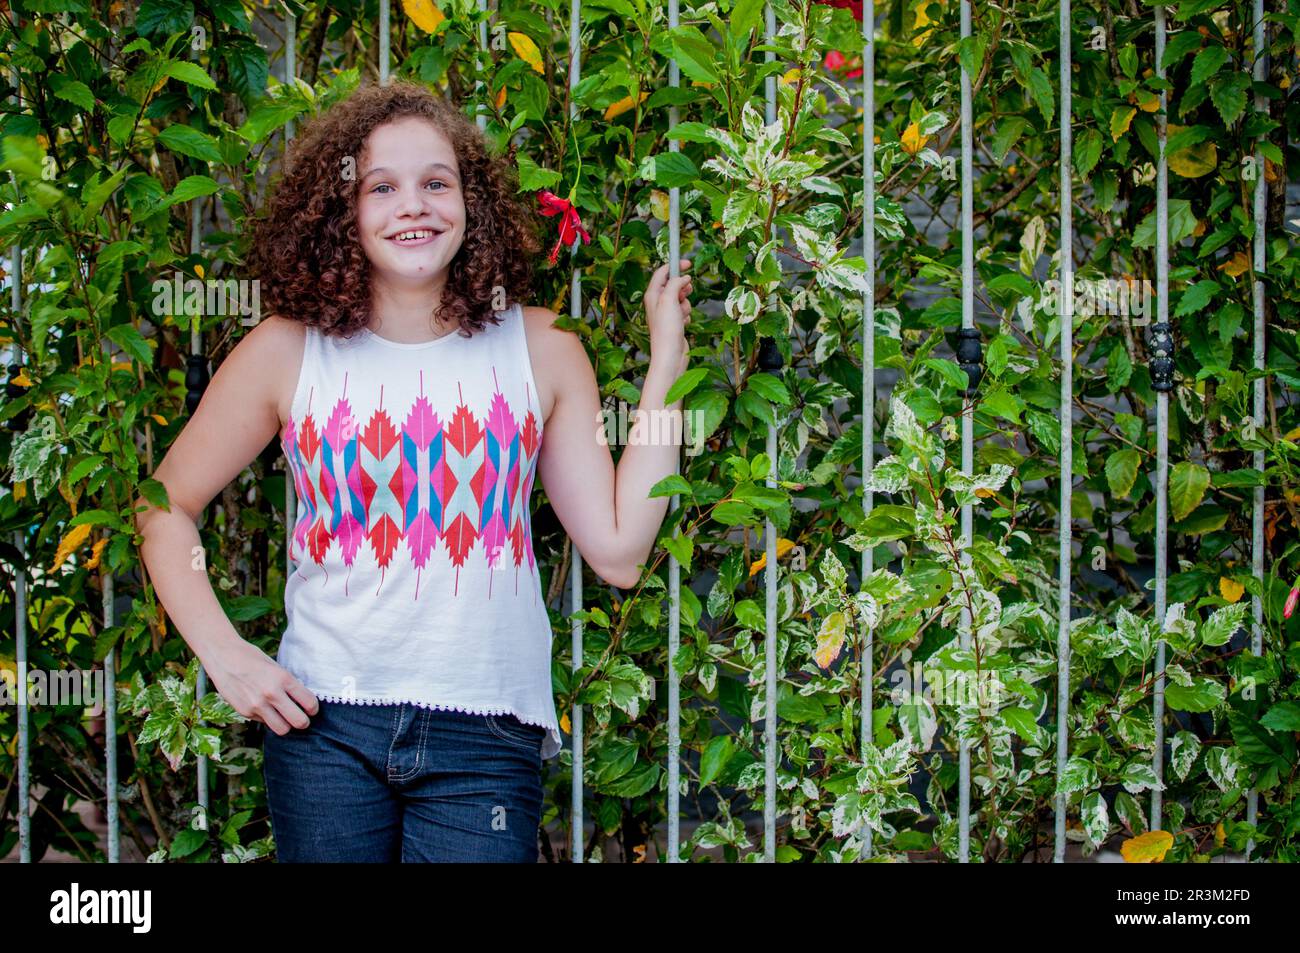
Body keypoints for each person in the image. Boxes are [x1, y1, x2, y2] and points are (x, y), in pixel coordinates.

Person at [134, 80, 694, 862]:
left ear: (474, 203)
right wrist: (226, 655)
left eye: (437, 182)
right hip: (325, 725)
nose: (414, 205)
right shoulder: (287, 351)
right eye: (381, 187)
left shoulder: (543, 348)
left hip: (488, 730)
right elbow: (165, 506)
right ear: (342, 212)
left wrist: (666, 366)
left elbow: (619, 550)